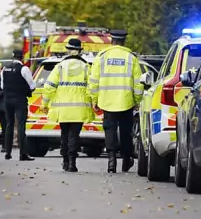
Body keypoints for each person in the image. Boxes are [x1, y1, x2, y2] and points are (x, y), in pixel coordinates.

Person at [88, 29, 144, 173]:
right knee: (126, 132)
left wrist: (94, 99)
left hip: (107, 101)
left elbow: (93, 82)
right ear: (124, 41)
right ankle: (126, 160)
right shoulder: (131, 58)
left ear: (111, 41)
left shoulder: (101, 57)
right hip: (126, 102)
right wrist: (137, 100)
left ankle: (111, 163)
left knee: (110, 131)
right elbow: (138, 83)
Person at [42, 38, 94, 172]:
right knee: (74, 135)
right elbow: (92, 87)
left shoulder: (60, 66)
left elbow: (49, 86)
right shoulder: (86, 67)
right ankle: (72, 162)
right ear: (80, 51)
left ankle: (65, 160)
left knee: (64, 134)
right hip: (80, 108)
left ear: (68, 50)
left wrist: (45, 103)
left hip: (62, 108)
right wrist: (95, 102)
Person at [1, 49, 36, 161]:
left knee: (9, 124)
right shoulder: (24, 69)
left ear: (12, 57)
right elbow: (32, 86)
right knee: (21, 125)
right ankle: (23, 154)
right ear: (22, 58)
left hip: (7, 100)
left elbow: (2, 86)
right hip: (20, 100)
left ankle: (7, 152)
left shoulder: (4, 69)